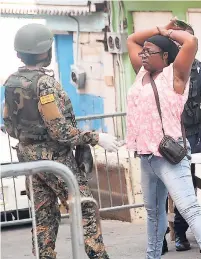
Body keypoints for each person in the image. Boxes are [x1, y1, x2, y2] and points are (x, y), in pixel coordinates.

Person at [2, 23, 120, 259]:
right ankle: (98, 256)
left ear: (18, 53)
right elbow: (60, 131)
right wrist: (96, 138)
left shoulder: (11, 82)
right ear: (46, 52)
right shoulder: (44, 84)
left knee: (43, 214)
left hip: (28, 156)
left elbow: (8, 122)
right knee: (85, 206)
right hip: (54, 158)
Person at [126, 18, 201, 259]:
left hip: (169, 154)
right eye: (143, 51)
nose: (143, 54)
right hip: (146, 155)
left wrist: (167, 32)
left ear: (166, 56)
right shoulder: (142, 75)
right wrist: (156, 30)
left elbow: (191, 41)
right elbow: (131, 40)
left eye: (149, 51)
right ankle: (152, 256)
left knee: (190, 210)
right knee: (153, 212)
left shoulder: (175, 76)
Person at [161, 22, 201, 254]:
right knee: (160, 189)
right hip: (164, 139)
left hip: (193, 137)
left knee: (185, 187)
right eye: (179, 41)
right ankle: (161, 235)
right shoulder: (161, 70)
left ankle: (180, 233)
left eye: (188, 41)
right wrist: (163, 29)